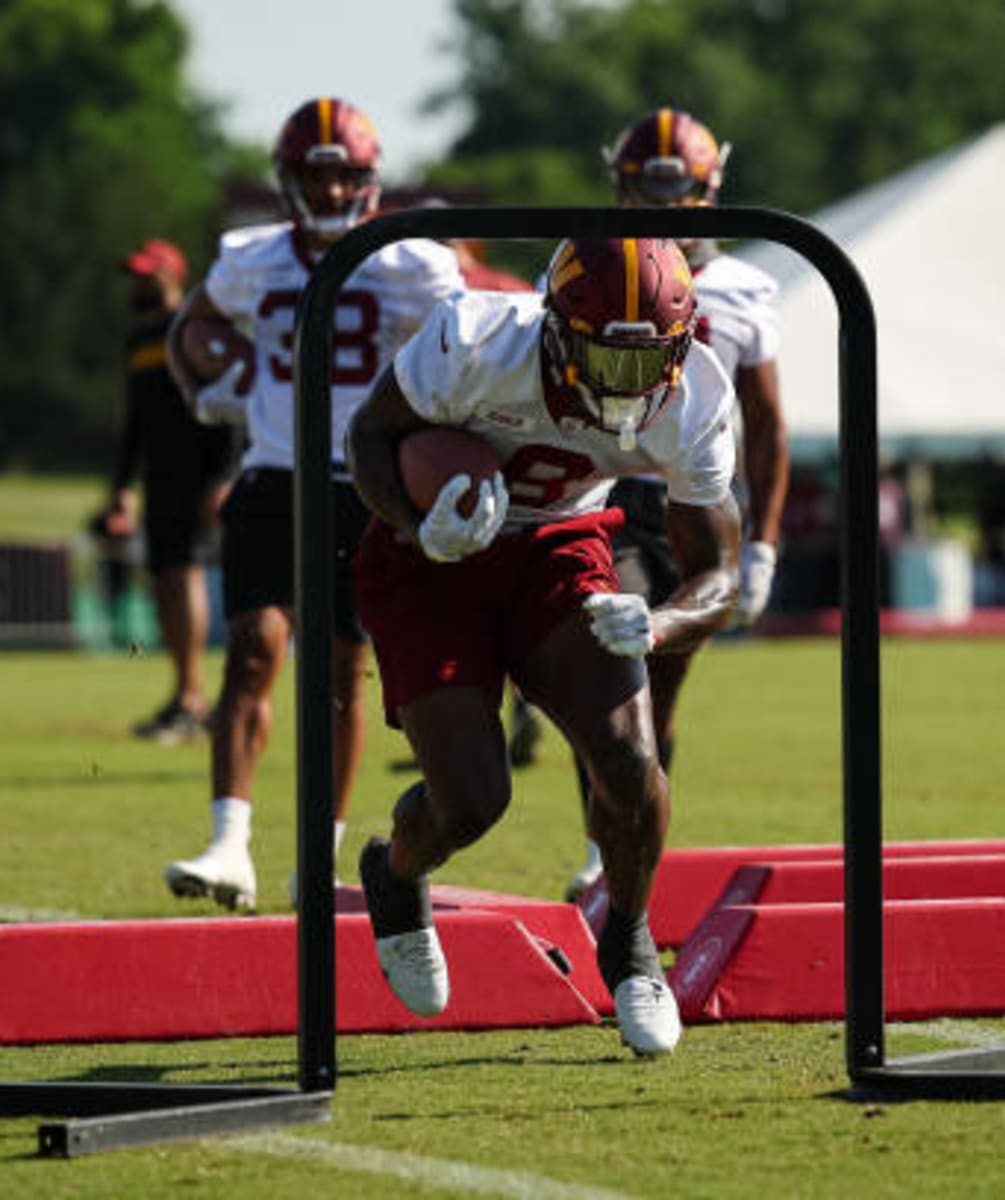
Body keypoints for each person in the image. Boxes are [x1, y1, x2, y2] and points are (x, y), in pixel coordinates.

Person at [348, 237, 741, 1055]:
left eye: (646, 361)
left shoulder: (696, 393)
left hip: (560, 544)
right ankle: (396, 874)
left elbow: (718, 574)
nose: (625, 383)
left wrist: (659, 623)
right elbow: (370, 438)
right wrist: (415, 524)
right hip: (432, 561)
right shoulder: (476, 340)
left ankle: (630, 941)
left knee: (629, 760)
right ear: (556, 331)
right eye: (606, 357)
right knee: (471, 801)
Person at [162, 97, 464, 911]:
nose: (330, 192)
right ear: (288, 178)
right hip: (273, 473)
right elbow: (191, 328)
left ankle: (315, 859)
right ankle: (229, 844)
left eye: (344, 177)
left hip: (366, 483)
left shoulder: (412, 263)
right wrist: (207, 389)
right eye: (315, 176)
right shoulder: (252, 257)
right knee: (253, 648)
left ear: (369, 180)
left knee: (338, 673)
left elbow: (460, 353)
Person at [528, 107, 791, 898]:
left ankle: (628, 845)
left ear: (711, 187)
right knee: (616, 674)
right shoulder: (581, 266)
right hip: (607, 488)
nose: (665, 207)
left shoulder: (744, 286)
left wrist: (763, 543)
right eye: (648, 191)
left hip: (694, 496)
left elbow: (767, 426)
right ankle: (601, 850)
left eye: (679, 191)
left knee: (658, 695)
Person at [92, 239, 236, 742]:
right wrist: (122, 486)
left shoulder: (196, 330)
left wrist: (221, 479)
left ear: (172, 276)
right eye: (134, 276)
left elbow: (226, 409)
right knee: (164, 578)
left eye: (146, 275)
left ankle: (193, 697)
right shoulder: (139, 339)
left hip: (197, 478)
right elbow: (136, 420)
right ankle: (184, 695)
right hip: (158, 479)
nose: (137, 284)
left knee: (184, 573)